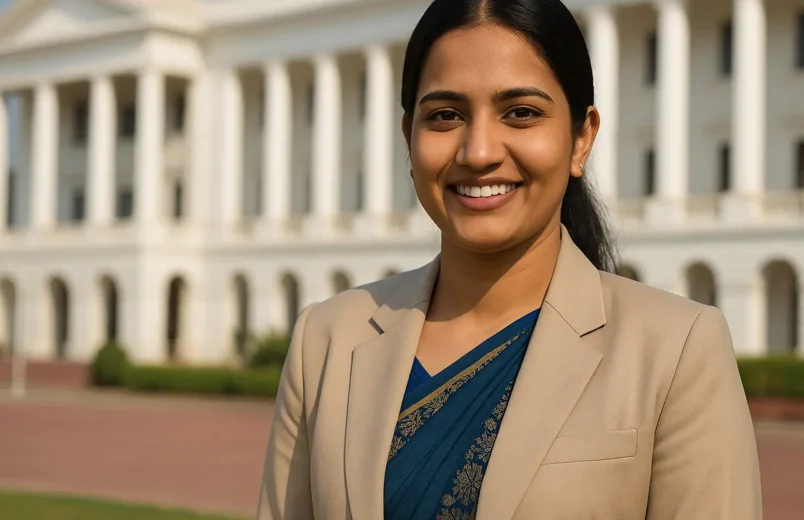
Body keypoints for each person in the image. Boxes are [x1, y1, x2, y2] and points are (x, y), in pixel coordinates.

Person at [256, 0, 762, 518]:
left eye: (521, 113)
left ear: (581, 138)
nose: (478, 152)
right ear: (409, 138)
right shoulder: (327, 341)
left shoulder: (674, 351)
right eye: (445, 115)